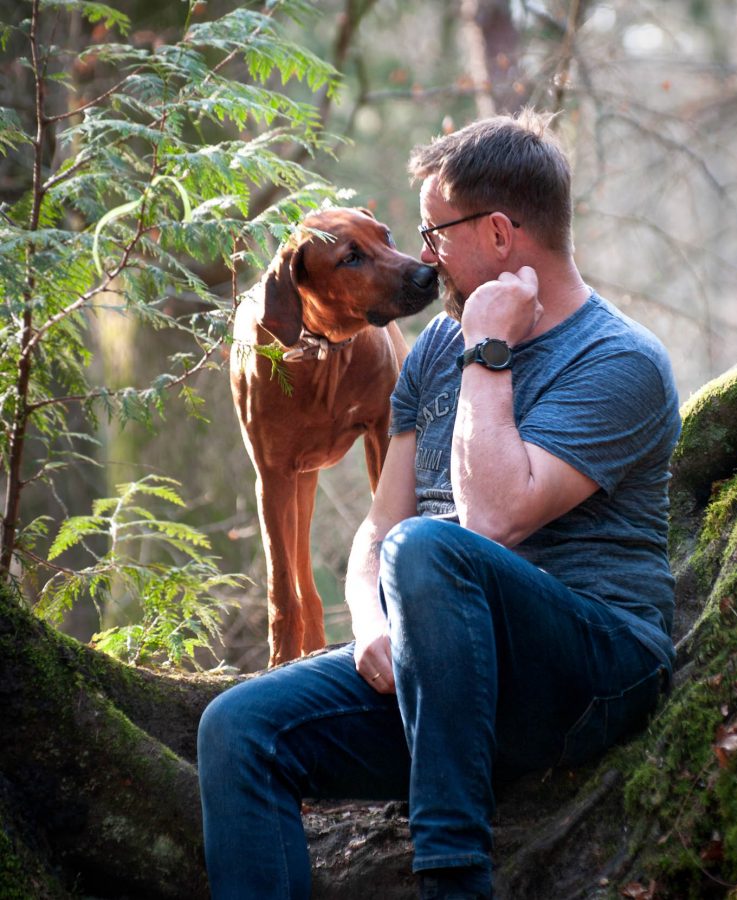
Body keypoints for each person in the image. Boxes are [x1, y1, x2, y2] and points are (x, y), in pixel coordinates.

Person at [198, 109, 681, 900]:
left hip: (590, 670)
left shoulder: (618, 360)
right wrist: (375, 623)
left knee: (432, 549)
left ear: (497, 235)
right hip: (446, 672)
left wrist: (488, 352)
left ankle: (453, 878)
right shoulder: (433, 349)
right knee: (238, 730)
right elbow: (379, 530)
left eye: (433, 233)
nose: (420, 259)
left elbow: (489, 522)